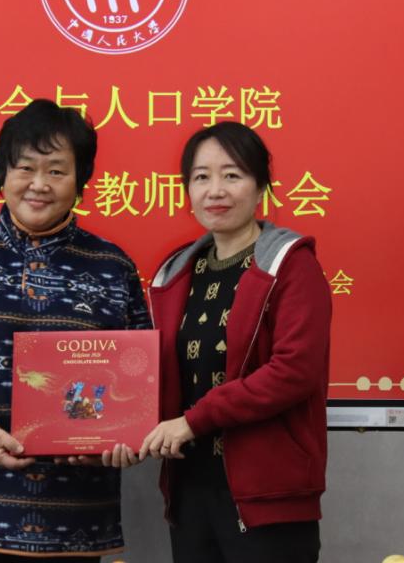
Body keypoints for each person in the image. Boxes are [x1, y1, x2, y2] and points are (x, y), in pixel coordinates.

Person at [0, 99, 150, 562]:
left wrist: (119, 438)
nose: (39, 184)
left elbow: (137, 373)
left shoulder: (112, 266)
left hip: (76, 516)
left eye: (56, 170)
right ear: (2, 176)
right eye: (25, 168)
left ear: (81, 181)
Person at [134, 121, 332, 563]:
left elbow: (293, 372)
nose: (215, 191)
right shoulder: (176, 272)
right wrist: (122, 434)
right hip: (190, 489)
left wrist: (193, 421)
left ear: (260, 186)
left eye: (232, 175)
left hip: (267, 496)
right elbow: (159, 377)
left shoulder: (292, 266)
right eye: (201, 177)